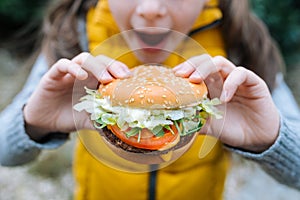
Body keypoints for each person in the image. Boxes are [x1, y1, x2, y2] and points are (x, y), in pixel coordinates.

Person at [0, 0, 300, 199]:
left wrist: (272, 139)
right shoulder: (76, 37)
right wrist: (32, 123)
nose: (151, 9)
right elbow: (3, 152)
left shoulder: (238, 43)